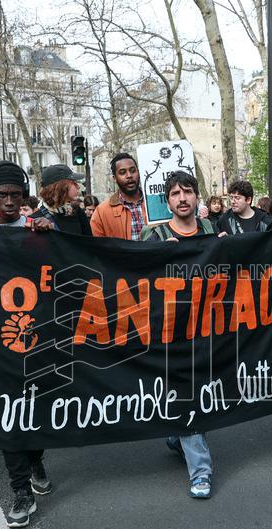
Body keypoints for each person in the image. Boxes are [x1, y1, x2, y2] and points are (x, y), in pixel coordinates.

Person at [0, 161, 54, 526]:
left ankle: (35, 456)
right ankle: (20, 490)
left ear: (24, 196)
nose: (8, 202)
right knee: (8, 413)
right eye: (1, 195)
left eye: (15, 195)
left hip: (38, 336)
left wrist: (52, 236)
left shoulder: (40, 232)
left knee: (37, 407)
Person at [141, 171, 219, 498]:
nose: (182, 198)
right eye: (175, 193)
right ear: (168, 201)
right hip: (171, 332)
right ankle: (200, 471)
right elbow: (132, 276)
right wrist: (155, 257)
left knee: (203, 393)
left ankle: (177, 436)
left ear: (197, 196)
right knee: (187, 395)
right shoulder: (154, 235)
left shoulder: (212, 230)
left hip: (210, 329)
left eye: (188, 191)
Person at [90, 153, 148, 240]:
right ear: (115, 178)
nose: (129, 176)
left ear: (138, 172)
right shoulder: (101, 213)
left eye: (133, 170)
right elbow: (99, 249)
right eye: (122, 172)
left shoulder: (155, 202)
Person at [30, 165, 91, 235]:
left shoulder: (77, 212)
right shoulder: (36, 221)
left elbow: (89, 242)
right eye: (73, 183)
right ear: (61, 187)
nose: (78, 186)